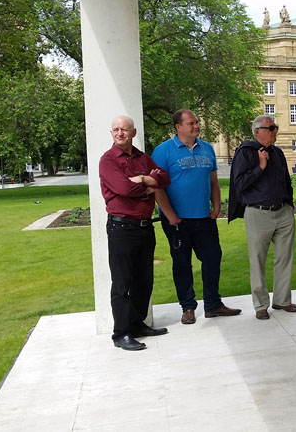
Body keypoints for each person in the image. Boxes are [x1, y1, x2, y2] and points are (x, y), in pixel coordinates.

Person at [152, 109, 241, 325]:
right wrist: (170, 215)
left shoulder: (207, 148)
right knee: (182, 263)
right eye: (191, 123)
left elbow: (213, 181)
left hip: (204, 218)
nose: (196, 126)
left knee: (212, 259)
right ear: (178, 127)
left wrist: (217, 207)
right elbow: (156, 187)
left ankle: (213, 304)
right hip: (177, 221)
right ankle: (188, 307)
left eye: (197, 122)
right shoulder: (163, 151)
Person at [99, 115, 171, 351]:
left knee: (143, 281)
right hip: (121, 229)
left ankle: (137, 324)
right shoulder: (108, 160)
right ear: (112, 133)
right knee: (122, 283)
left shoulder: (143, 158)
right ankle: (121, 334)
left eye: (124, 129)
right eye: (115, 130)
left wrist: (142, 178)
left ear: (134, 132)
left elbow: (164, 178)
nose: (120, 133)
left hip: (144, 228)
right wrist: (148, 187)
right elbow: (123, 188)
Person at [228, 115, 296, 320]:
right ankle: (261, 305)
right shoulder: (245, 152)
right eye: (271, 128)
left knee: (285, 258)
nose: (275, 131)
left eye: (275, 127)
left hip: (283, 213)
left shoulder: (278, 153)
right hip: (258, 213)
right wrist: (260, 167)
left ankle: (282, 300)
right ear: (257, 131)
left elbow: (286, 181)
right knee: (257, 260)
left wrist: (289, 205)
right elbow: (239, 185)